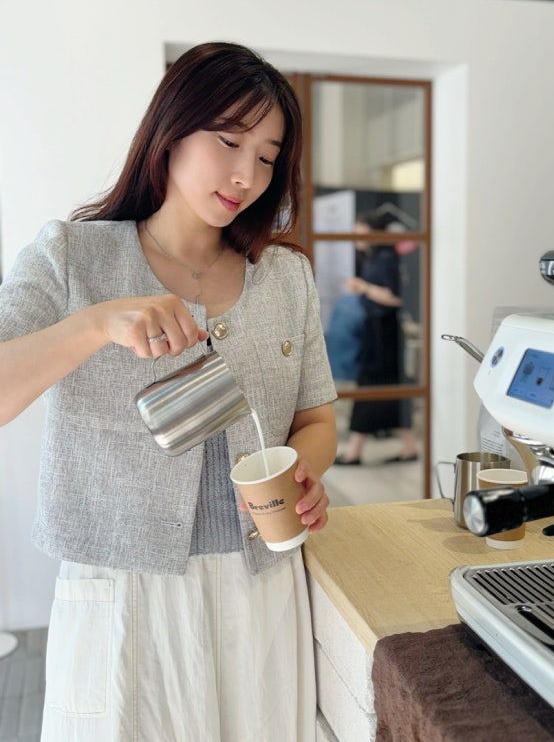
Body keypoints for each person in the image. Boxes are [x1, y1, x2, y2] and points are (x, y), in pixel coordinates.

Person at [0, 42, 337, 742]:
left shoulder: (285, 276)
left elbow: (315, 418)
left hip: (261, 585)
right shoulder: (71, 256)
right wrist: (96, 323)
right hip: (123, 592)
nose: (247, 175)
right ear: (172, 129)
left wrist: (305, 470)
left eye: (268, 157)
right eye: (229, 142)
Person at [334, 212, 418, 465]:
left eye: (360, 232)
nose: (356, 238)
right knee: (388, 388)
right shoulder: (374, 258)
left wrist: (363, 287)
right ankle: (408, 447)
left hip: (384, 333)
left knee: (372, 387)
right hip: (377, 330)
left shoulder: (385, 259)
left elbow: (396, 297)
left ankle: (354, 451)